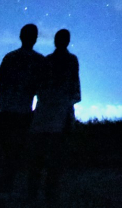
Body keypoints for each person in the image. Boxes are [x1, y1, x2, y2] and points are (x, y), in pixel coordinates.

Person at [0, 23, 46, 192]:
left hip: (9, 112)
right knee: (11, 153)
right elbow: (42, 90)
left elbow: (0, 87)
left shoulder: (12, 57)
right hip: (19, 112)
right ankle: (1, 186)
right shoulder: (37, 61)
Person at [27, 28, 81, 203]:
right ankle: (49, 193)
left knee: (39, 156)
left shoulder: (48, 61)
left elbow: (37, 88)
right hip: (59, 115)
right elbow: (75, 91)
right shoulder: (70, 61)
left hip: (45, 114)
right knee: (54, 157)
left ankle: (34, 192)